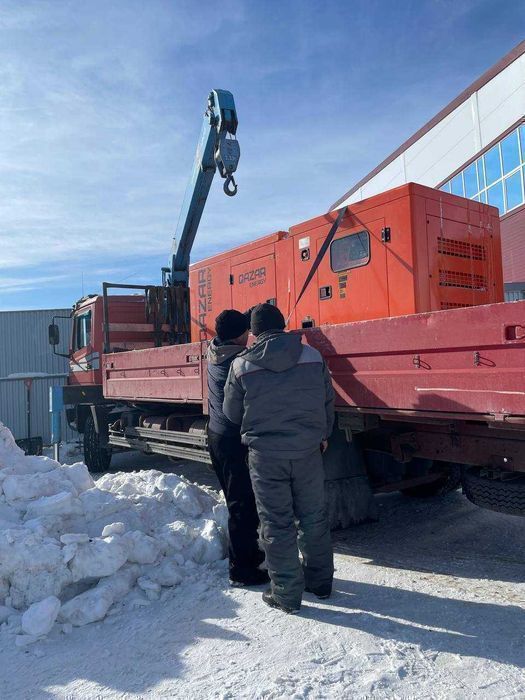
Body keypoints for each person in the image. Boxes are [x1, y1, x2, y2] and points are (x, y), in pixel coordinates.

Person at [223, 303, 335, 613]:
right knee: (314, 517)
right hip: (308, 451)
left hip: (266, 456)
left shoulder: (241, 365)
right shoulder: (313, 356)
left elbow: (231, 414)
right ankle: (320, 582)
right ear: (283, 325)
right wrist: (322, 434)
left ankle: (286, 593)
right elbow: (328, 401)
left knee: (276, 522)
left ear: (254, 332)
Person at [207, 309, 269, 587]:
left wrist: (248, 316)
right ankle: (242, 569)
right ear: (240, 336)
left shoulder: (214, 350)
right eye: (247, 331)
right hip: (233, 440)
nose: (250, 335)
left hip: (216, 436)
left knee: (237, 500)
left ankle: (248, 555)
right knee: (242, 504)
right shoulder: (238, 362)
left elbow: (233, 329)